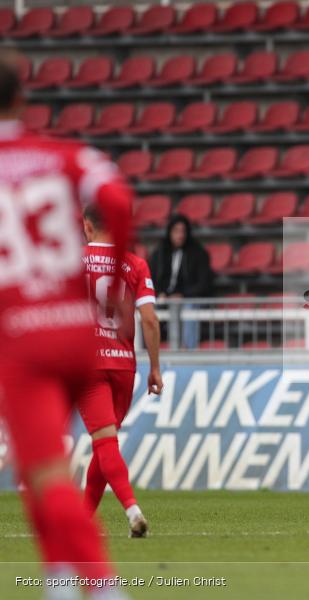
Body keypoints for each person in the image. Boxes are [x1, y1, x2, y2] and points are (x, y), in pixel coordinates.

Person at [0, 51, 129, 597]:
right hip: (79, 333)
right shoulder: (65, 155)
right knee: (37, 463)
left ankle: (102, 586)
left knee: (46, 473)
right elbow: (117, 198)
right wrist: (115, 276)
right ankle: (58, 579)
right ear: (21, 98)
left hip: (23, 339)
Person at [81, 203, 163, 538]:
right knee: (106, 444)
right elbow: (150, 320)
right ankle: (83, 521)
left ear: (87, 226)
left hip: (87, 364)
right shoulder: (134, 263)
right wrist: (155, 368)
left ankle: (133, 511)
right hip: (123, 366)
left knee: (104, 443)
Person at [148, 214, 213, 349]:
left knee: (189, 308)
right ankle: (145, 349)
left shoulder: (199, 253)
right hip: (164, 299)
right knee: (146, 308)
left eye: (183, 231)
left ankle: (187, 351)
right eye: (176, 231)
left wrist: (183, 295)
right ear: (170, 232)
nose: (180, 235)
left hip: (189, 299)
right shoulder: (159, 253)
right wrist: (160, 293)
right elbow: (150, 279)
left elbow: (203, 284)